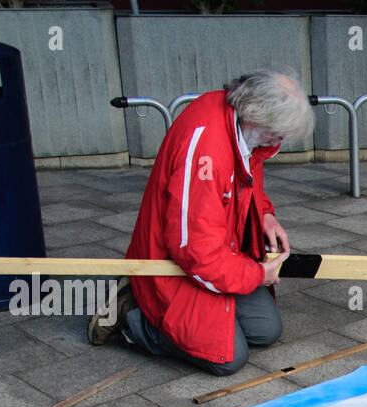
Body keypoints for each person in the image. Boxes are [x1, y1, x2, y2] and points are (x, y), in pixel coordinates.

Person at [90, 71, 315, 375]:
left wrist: (264, 213)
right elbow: (193, 251)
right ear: (255, 118)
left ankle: (215, 315)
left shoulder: (240, 125)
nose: (281, 140)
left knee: (266, 331)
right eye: (277, 133)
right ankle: (131, 315)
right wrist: (256, 275)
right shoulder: (205, 150)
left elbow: (248, 180)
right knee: (226, 358)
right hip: (179, 263)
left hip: (222, 251)